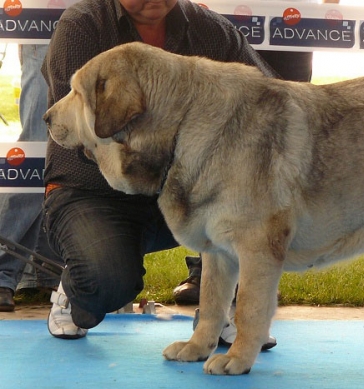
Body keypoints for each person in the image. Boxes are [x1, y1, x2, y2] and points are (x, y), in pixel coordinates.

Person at [42, 0, 280, 341]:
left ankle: (221, 311)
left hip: (181, 190)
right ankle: (74, 288)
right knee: (106, 282)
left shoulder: (213, 31)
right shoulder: (82, 26)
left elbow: (268, 97)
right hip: (93, 191)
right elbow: (85, 132)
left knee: (246, 198)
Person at [173, 0, 340, 307]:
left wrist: (327, 11)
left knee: (279, 153)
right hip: (222, 17)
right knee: (216, 152)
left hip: (293, 24)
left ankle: (259, 277)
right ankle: (205, 272)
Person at [0, 44, 61, 312]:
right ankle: (3, 273)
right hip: (45, 21)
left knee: (70, 150)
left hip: (92, 17)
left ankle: (45, 272)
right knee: (37, 149)